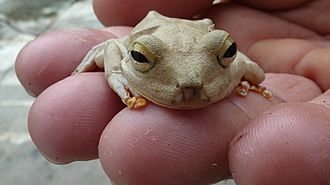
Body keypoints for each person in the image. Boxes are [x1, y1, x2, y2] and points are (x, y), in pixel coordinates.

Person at [15, 0, 330, 184]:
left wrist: (235, 70)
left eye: (225, 52)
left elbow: (249, 68)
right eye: (141, 58)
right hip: (153, 38)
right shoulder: (130, 45)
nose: (189, 85)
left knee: (252, 74)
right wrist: (115, 75)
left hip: (201, 38)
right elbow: (110, 47)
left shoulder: (216, 49)